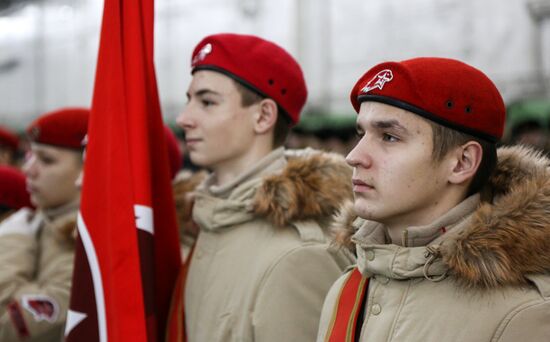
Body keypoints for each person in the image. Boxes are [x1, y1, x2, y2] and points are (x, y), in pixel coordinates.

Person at [316, 57, 550, 341]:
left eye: (389, 137)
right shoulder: (348, 289)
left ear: (462, 162)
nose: (354, 156)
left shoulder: (521, 314)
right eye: (361, 133)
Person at [174, 33, 355, 341]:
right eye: (189, 100)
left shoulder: (299, 256)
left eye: (207, 102)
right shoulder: (209, 220)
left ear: (263, 116)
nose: (184, 118)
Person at [0, 107, 88, 341]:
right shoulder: (41, 220)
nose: (28, 170)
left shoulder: (88, 241)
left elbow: (13, 328)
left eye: (46, 160)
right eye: (30, 156)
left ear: (88, 169)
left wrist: (11, 242)